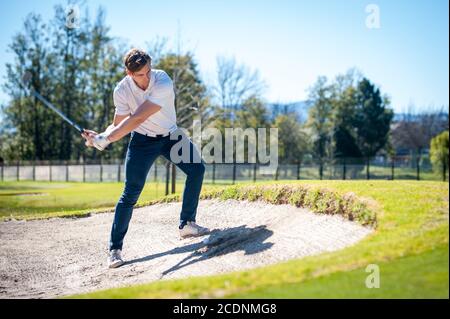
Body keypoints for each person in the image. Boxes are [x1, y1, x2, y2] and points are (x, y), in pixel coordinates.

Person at [82, 48, 209, 268]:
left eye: (148, 71)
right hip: (142, 142)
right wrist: (100, 136)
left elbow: (140, 115)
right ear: (129, 74)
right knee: (130, 192)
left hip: (171, 136)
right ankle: (115, 250)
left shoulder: (162, 80)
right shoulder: (121, 90)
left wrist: (108, 138)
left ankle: (187, 223)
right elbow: (119, 121)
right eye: (141, 74)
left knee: (197, 170)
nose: (147, 77)